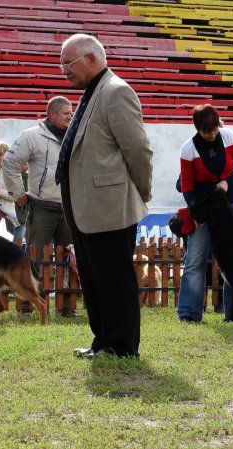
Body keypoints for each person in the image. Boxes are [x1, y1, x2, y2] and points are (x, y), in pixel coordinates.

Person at [57, 34, 153, 359]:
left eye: (67, 63)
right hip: (87, 206)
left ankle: (123, 347)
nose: (63, 71)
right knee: (95, 280)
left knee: (114, 279)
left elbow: (137, 149)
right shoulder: (93, 92)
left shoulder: (116, 91)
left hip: (110, 205)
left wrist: (143, 189)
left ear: (90, 59)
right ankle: (104, 342)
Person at [177, 104, 233, 323]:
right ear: (197, 128)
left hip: (232, 203)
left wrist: (229, 182)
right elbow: (187, 186)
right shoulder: (188, 149)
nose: (212, 134)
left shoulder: (228, 136)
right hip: (204, 207)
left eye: (215, 129)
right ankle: (189, 313)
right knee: (195, 259)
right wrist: (196, 214)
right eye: (207, 131)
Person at [2, 96, 75, 316]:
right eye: (66, 113)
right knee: (35, 258)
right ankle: (28, 303)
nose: (70, 117)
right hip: (41, 206)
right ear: (52, 114)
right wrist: (18, 194)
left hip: (69, 208)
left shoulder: (75, 136)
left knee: (69, 258)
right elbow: (9, 163)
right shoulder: (32, 136)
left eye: (71, 113)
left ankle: (67, 305)